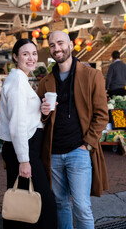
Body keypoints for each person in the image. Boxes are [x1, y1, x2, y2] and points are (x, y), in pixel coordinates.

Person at [37, 31, 109, 229]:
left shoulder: (92, 76)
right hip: (54, 153)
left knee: (82, 206)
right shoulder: (45, 82)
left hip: (79, 151)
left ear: (70, 44)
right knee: (60, 204)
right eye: (52, 45)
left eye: (60, 43)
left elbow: (102, 115)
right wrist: (43, 113)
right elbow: (40, 118)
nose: (56, 48)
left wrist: (87, 144)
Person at [0, 39, 57, 229]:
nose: (31, 58)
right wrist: (24, 159)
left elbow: (24, 115)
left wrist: (42, 110)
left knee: (23, 200)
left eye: (33, 53)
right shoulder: (17, 82)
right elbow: (17, 124)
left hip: (25, 148)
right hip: (24, 150)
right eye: (25, 54)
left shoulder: (21, 79)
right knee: (43, 203)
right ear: (15, 57)